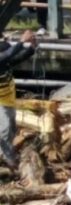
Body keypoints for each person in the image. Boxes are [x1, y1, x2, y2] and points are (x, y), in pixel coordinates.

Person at [0, 31, 37, 170]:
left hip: (8, 99)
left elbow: (17, 58)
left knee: (11, 129)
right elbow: (8, 54)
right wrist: (21, 42)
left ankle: (4, 154)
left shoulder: (4, 62)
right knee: (4, 130)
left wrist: (31, 48)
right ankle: (9, 160)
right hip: (0, 102)